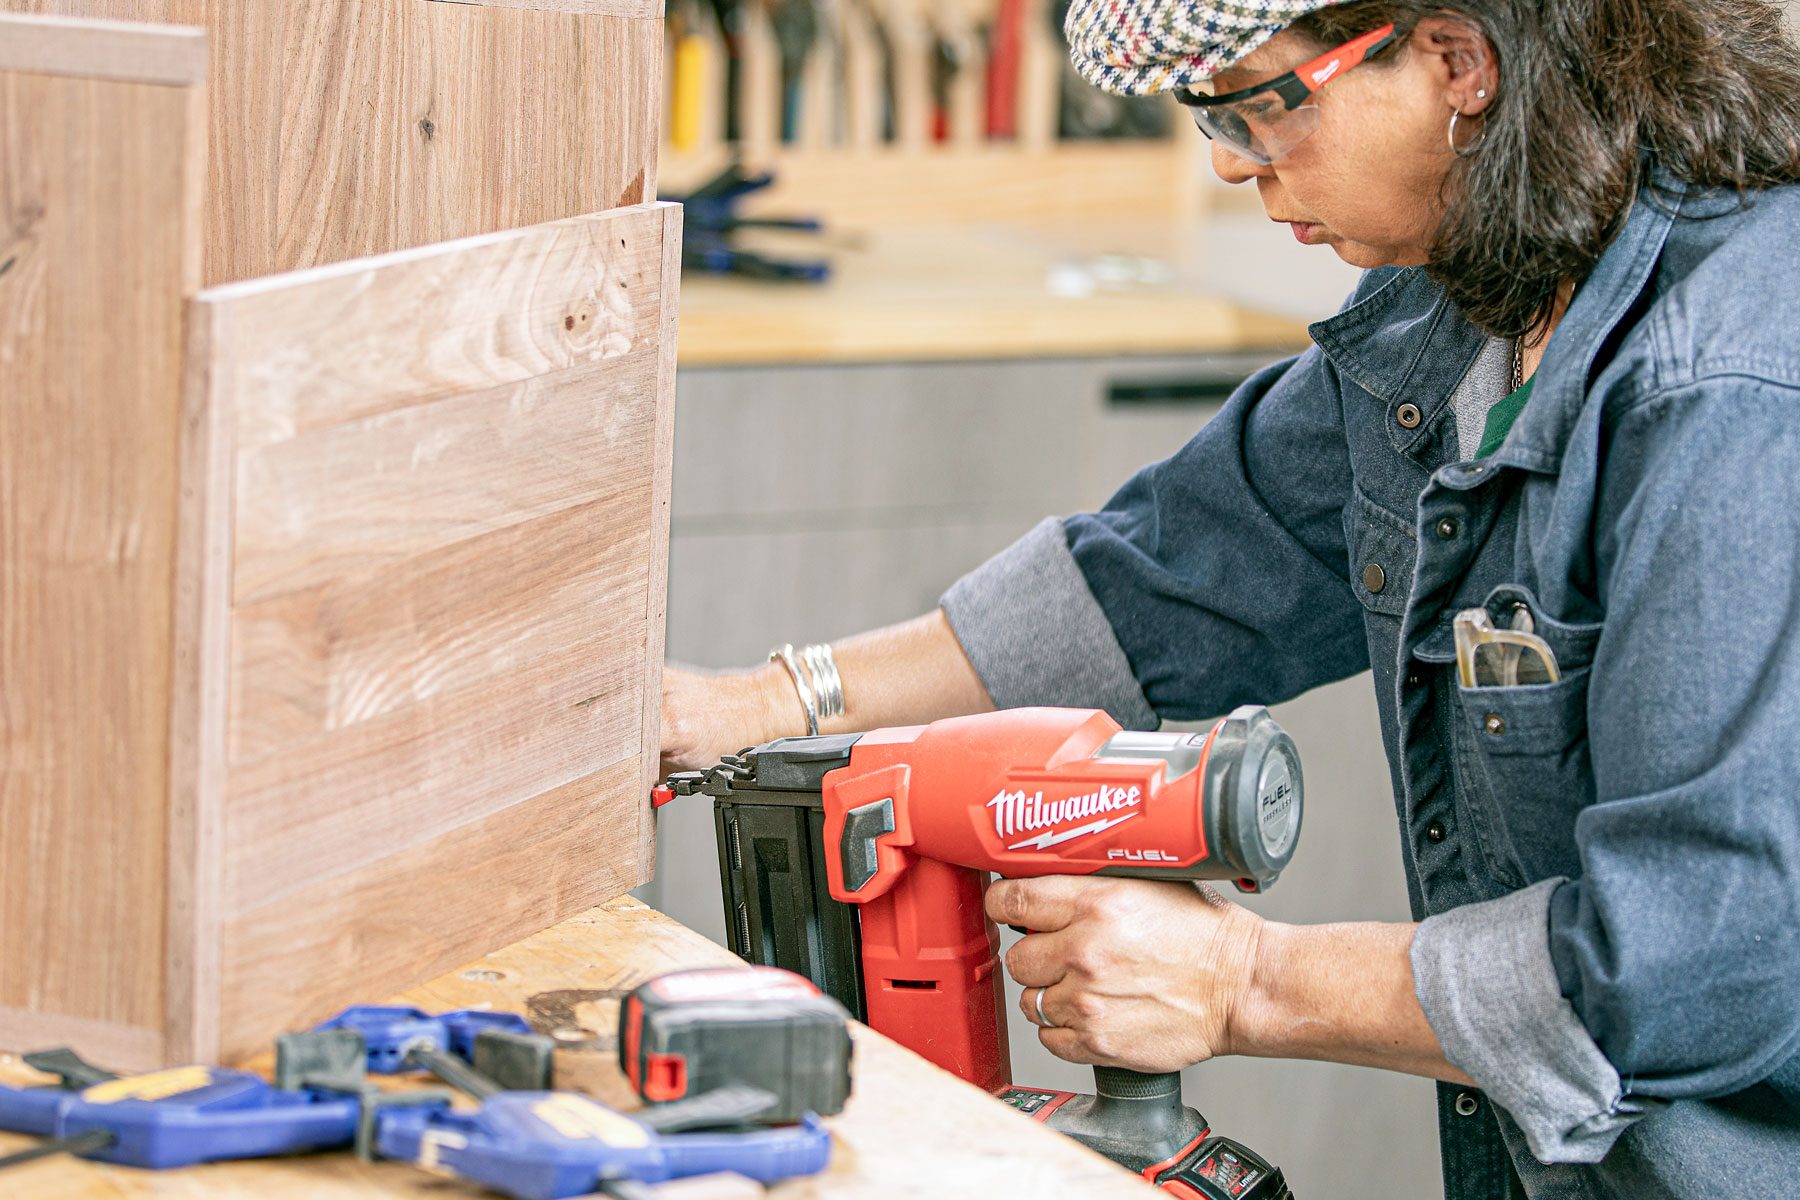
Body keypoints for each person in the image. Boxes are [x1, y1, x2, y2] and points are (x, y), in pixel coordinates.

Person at [660, 0, 1800, 1195]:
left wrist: (1241, 980)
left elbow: (1701, 963)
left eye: (1255, 107)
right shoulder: (1470, 306)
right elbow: (1157, 578)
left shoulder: (1729, 395)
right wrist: (760, 704)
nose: (1230, 162)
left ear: (1456, 62)